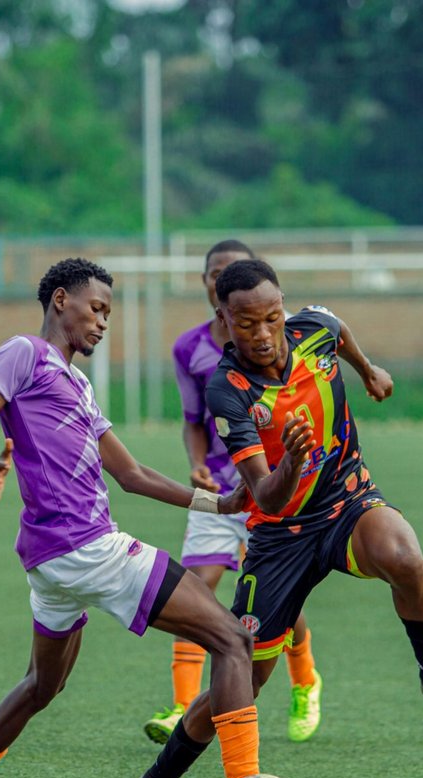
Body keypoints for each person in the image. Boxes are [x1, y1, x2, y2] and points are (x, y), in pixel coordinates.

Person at [128, 259, 423, 778]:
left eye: (272, 317)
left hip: (347, 504)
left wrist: (368, 372)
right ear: (224, 319)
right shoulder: (229, 391)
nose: (264, 334)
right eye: (247, 324)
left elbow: (338, 330)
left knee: (404, 555)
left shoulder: (312, 329)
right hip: (279, 536)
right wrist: (293, 460)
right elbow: (265, 499)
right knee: (243, 676)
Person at [0, 257, 266, 778]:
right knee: (232, 642)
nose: (102, 322)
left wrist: (218, 504)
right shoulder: (25, 352)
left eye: (108, 313)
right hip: (87, 548)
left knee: (39, 686)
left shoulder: (78, 384)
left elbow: (133, 475)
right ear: (59, 302)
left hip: (52, 563)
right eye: (94, 308)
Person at [142, 239, 324, 747]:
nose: (218, 278)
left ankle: (306, 680)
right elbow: (193, 420)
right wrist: (196, 463)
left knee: (278, 602)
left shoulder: (283, 340)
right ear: (211, 289)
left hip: (272, 489)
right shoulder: (189, 348)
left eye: (229, 270)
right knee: (195, 589)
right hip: (222, 491)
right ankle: (183, 704)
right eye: (213, 273)